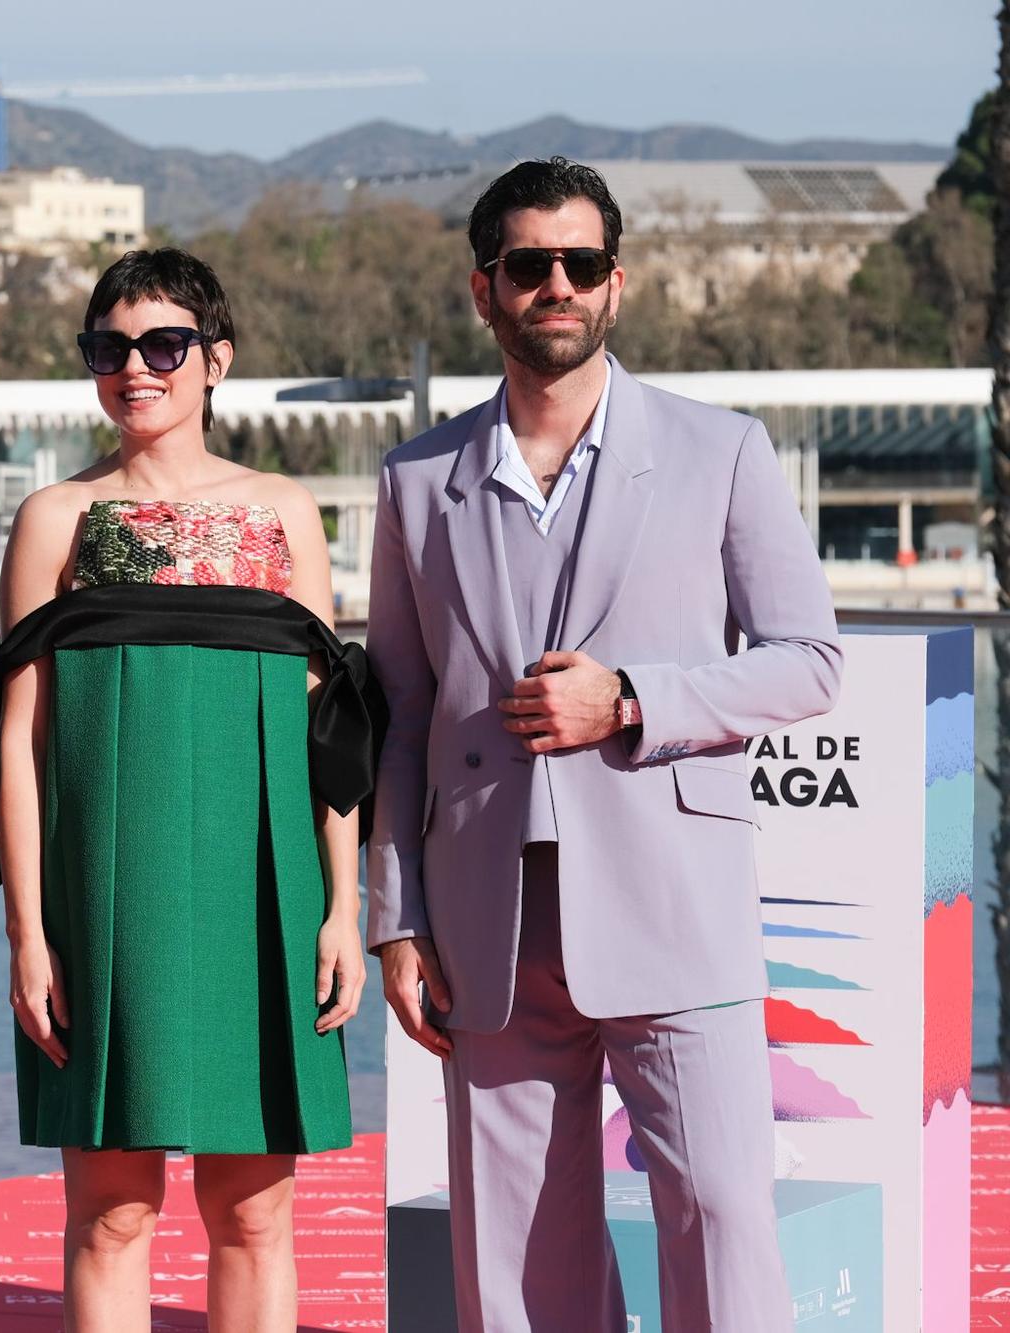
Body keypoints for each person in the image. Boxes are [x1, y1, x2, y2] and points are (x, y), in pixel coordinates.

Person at [366, 157, 844, 1332]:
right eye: (528, 266)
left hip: (673, 901)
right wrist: (395, 915)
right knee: (515, 1250)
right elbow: (402, 714)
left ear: (614, 284)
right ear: (483, 291)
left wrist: (630, 698)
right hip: (486, 915)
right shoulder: (416, 479)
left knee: (720, 1221)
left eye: (579, 264)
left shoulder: (719, 449)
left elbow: (808, 659)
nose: (556, 286)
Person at [0, 247, 382, 1332]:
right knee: (110, 1212)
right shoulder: (54, 520)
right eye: (108, 348)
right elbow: (14, 742)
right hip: (104, 898)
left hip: (266, 894)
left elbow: (328, 730)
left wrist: (341, 908)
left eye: (162, 345)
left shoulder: (283, 511)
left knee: (254, 1210)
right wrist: (26, 933)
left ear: (215, 361)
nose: (135, 369)